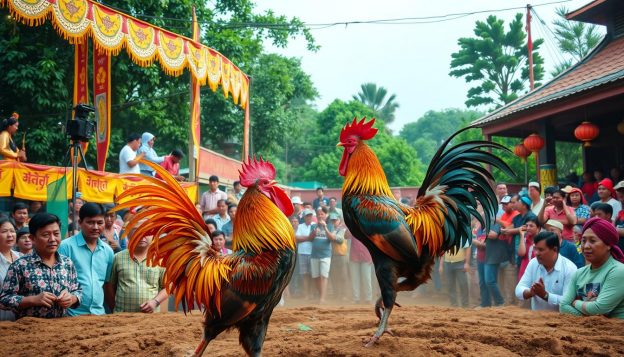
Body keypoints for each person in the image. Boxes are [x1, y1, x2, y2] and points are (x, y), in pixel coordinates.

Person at [0, 213, 81, 319]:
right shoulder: (19, 265)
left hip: (61, 329)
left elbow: (78, 290)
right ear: (32, 238)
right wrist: (33, 300)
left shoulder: (67, 263)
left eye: (56, 234)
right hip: (29, 331)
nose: (52, 239)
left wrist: (72, 298)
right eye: (46, 235)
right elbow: (4, 299)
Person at [560, 217, 624, 318]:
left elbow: (599, 308)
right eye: (583, 241)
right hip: (586, 331)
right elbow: (563, 306)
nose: (586, 246)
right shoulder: (578, 273)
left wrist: (576, 303)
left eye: (592, 241)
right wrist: (589, 313)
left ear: (608, 245)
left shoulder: (618, 271)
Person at [58, 203, 114, 316]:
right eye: (90, 222)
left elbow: (107, 284)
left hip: (98, 314)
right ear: (80, 223)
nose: (95, 227)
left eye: (99, 222)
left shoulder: (107, 251)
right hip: (71, 315)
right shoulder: (65, 247)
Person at [107, 229, 168, 313]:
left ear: (153, 236)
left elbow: (167, 287)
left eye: (146, 233)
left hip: (150, 317)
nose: (142, 237)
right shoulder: (117, 258)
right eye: (137, 233)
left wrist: (155, 302)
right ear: (129, 236)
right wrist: (115, 307)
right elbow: (109, 286)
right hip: (122, 316)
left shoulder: (160, 260)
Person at [515, 231, 577, 311]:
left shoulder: (569, 269)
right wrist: (530, 292)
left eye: (541, 250)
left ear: (554, 249)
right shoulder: (534, 263)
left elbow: (568, 301)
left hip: (560, 321)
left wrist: (545, 295)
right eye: (535, 249)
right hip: (536, 319)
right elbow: (519, 289)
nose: (536, 253)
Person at [309, 207, 337, 304]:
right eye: (318, 214)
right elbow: (310, 238)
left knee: (324, 276)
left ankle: (322, 298)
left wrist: (325, 228)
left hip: (325, 254)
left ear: (326, 215)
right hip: (314, 254)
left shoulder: (330, 226)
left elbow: (332, 238)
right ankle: (321, 295)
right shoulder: (313, 226)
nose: (320, 216)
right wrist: (316, 229)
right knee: (316, 277)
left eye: (322, 214)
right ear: (316, 216)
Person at [0, 217, 22, 320]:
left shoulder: (21, 258)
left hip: (21, 317)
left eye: (12, 231)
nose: (10, 235)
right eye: (4, 231)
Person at [348, 229, 373, 304]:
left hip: (366, 256)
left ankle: (368, 298)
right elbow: (346, 236)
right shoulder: (352, 226)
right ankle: (356, 298)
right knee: (355, 279)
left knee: (367, 279)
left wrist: (372, 256)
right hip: (354, 256)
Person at [328, 213, 349, 301]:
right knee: (334, 276)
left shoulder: (343, 230)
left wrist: (329, 234)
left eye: (335, 220)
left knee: (343, 276)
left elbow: (339, 240)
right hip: (333, 255)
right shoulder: (332, 230)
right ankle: (337, 294)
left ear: (339, 220)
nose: (333, 222)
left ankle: (344, 295)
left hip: (341, 255)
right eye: (332, 221)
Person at [295, 209, 314, 299]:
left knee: (312, 274)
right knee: (305, 274)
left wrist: (305, 238)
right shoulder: (300, 226)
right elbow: (297, 238)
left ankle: (311, 294)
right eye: (307, 216)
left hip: (313, 252)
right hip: (302, 252)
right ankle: (306, 294)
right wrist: (309, 238)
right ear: (304, 217)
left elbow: (314, 238)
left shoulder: (314, 225)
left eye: (310, 216)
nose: (309, 217)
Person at [517, 216, 541, 280]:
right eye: (526, 226)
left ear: (538, 228)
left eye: (531, 226)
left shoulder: (543, 241)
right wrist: (522, 235)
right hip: (524, 271)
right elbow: (521, 253)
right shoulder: (525, 239)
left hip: (538, 272)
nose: (528, 228)